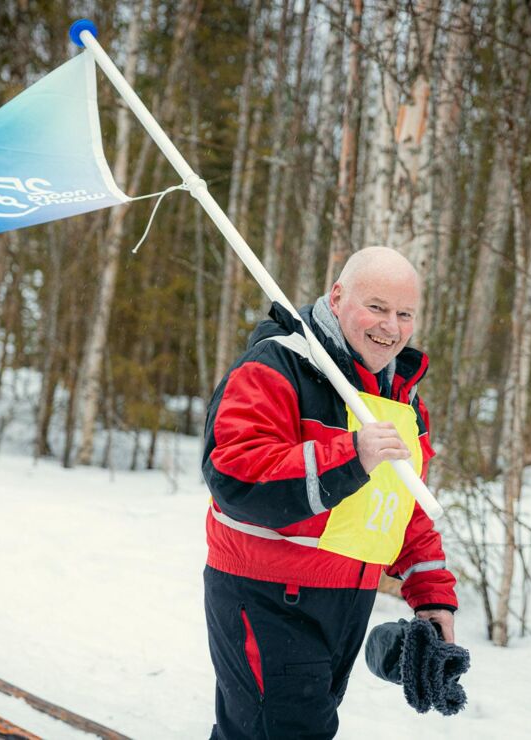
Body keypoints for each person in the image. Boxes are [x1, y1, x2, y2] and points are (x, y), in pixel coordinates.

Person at [201, 246, 458, 739]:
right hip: (268, 595)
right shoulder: (278, 364)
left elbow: (405, 506)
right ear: (338, 297)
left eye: (405, 314)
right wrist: (350, 456)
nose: (391, 326)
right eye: (377, 307)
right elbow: (235, 474)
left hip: (346, 602)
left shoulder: (400, 393)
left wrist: (431, 597)